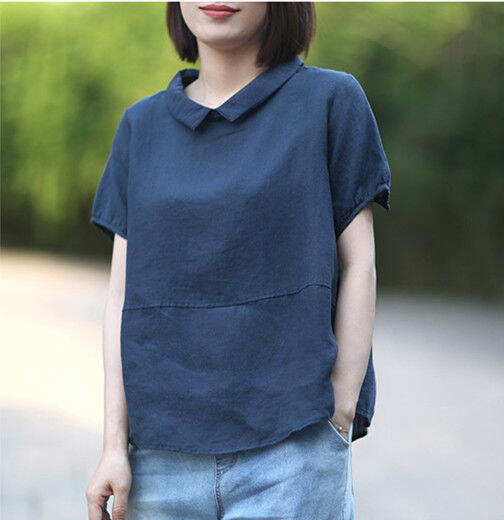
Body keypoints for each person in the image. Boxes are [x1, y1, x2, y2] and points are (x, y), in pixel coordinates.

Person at [86, 2, 391, 519]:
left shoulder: (330, 100)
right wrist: (114, 446)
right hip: (158, 464)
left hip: (292, 454)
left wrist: (339, 411)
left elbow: (360, 265)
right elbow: (120, 297)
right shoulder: (140, 127)